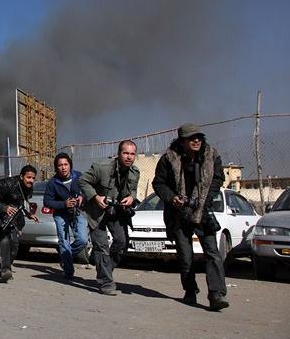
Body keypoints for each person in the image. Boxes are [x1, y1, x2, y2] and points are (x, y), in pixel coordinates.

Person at [152, 123, 228, 310]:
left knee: (212, 252)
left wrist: (204, 200)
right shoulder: (169, 158)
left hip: (203, 211)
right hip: (179, 212)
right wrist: (172, 198)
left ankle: (216, 294)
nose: (196, 141)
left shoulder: (212, 155)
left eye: (199, 137)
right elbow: (158, 184)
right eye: (191, 138)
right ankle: (190, 290)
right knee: (185, 256)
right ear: (182, 141)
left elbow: (218, 178)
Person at [79, 140, 139, 295]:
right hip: (96, 212)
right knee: (101, 246)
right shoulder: (102, 167)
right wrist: (95, 197)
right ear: (118, 154)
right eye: (125, 153)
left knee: (121, 243)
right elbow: (83, 181)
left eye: (132, 154)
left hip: (116, 211)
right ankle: (106, 282)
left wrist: (131, 197)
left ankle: (104, 271)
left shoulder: (134, 172)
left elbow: (133, 191)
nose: (129, 157)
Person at [0, 165, 39, 283]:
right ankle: (5, 271)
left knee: (14, 242)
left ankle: (2, 266)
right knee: (4, 237)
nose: (31, 180)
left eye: (33, 178)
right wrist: (5, 208)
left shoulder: (28, 188)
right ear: (21, 176)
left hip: (11, 216)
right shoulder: (6, 184)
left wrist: (29, 214)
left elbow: (23, 202)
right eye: (28, 177)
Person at [44, 153, 88, 280]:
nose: (63, 168)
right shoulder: (53, 182)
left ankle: (65, 258)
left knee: (83, 240)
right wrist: (64, 204)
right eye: (60, 165)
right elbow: (47, 202)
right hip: (61, 214)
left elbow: (87, 189)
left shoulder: (78, 176)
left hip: (77, 212)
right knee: (64, 241)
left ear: (70, 165)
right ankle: (68, 271)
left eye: (65, 164)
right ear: (56, 167)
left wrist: (82, 196)